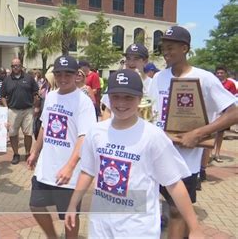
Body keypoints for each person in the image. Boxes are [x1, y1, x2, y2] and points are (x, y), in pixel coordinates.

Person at [65, 69, 203, 238]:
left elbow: (174, 183)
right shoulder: (96, 131)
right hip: (100, 226)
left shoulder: (153, 136)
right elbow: (87, 171)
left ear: (139, 99)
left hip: (137, 228)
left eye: (128, 97)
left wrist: (195, 227)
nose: (121, 103)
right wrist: (73, 204)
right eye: (116, 96)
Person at [149, 25, 238, 238]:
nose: (166, 52)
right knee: (152, 207)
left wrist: (198, 133)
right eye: (164, 48)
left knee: (177, 210)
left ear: (185, 48)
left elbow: (234, 112)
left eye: (171, 47)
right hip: (157, 156)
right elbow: (150, 113)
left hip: (185, 161)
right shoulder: (158, 78)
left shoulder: (204, 78)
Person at [26, 55, 97, 238]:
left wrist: (70, 166)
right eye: (59, 74)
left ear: (76, 75)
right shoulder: (50, 97)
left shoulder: (83, 102)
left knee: (69, 216)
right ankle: (52, 236)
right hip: (45, 168)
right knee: (36, 205)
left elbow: (84, 137)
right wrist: (35, 151)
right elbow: (44, 125)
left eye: (68, 74)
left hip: (70, 173)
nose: (63, 78)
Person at [1, 58, 39, 164]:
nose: (15, 67)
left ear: (21, 66)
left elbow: (36, 93)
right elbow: (2, 96)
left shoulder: (29, 78)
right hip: (13, 110)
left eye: (17, 65)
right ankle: (16, 154)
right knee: (13, 134)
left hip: (28, 110)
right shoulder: (7, 80)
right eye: (13, 66)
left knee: (28, 134)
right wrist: (6, 107)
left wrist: (36, 106)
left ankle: (27, 153)